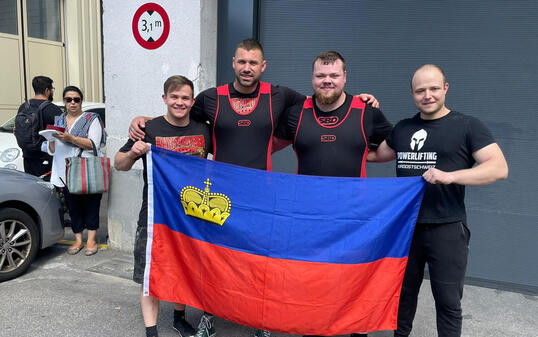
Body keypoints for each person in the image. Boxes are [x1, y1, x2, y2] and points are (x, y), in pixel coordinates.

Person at [129, 39, 378, 337]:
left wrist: (358, 99)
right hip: (219, 194)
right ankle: (209, 316)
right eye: (242, 62)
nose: (247, 68)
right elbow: (177, 117)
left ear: (263, 66)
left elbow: (324, 100)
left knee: (261, 261)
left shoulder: (280, 95)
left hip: (262, 193)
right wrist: (143, 120)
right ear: (233, 63)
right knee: (213, 259)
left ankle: (261, 320)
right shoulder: (211, 98)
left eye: (253, 63)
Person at [369, 64, 508, 337]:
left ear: (446, 88)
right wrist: (361, 110)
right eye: (420, 90)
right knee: (403, 295)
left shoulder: (467, 126)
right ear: (412, 93)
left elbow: (499, 168)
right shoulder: (403, 128)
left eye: (434, 88)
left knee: (447, 301)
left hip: (447, 227)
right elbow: (373, 155)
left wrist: (451, 176)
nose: (428, 95)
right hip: (406, 229)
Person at [277, 51, 392, 337]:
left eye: (333, 75)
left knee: (354, 277)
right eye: (320, 76)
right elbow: (259, 140)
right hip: (308, 214)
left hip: (354, 214)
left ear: (345, 77)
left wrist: (363, 155)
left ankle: (356, 330)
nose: (327, 81)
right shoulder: (295, 113)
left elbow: (394, 145)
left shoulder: (367, 111)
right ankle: (311, 328)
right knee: (312, 278)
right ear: (312, 78)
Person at [115, 75, 212, 337]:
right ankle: (151, 330)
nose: (179, 102)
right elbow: (119, 164)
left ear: (193, 101)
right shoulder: (148, 128)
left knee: (184, 266)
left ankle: (179, 318)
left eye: (185, 98)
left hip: (192, 214)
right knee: (151, 270)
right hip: (156, 213)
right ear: (164, 99)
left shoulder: (204, 130)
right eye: (174, 97)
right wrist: (134, 152)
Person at [46, 86, 106, 256]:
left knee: (91, 205)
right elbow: (53, 148)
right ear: (64, 101)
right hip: (64, 170)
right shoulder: (58, 120)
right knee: (73, 206)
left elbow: (94, 144)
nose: (72, 103)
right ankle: (78, 239)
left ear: (81, 101)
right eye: (68, 99)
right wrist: (49, 139)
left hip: (85, 169)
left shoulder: (91, 118)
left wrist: (70, 138)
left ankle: (92, 240)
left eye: (76, 99)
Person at [15, 76, 62, 179]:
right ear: (47, 91)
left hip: (27, 157)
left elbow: (16, 129)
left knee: (32, 188)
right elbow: (62, 134)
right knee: (47, 190)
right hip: (45, 159)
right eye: (52, 89)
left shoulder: (23, 107)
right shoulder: (53, 109)